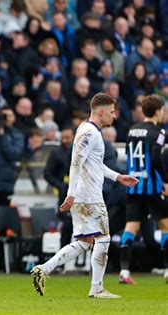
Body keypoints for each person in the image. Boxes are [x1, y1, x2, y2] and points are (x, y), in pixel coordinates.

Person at [31, 93, 139, 298]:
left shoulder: (88, 130)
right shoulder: (90, 132)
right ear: (100, 112)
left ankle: (43, 269)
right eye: (111, 112)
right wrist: (71, 194)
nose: (114, 116)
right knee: (104, 239)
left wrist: (118, 177)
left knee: (85, 242)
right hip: (88, 196)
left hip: (84, 194)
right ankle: (96, 288)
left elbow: (95, 164)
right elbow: (75, 163)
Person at [119, 94, 168, 284]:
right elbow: (155, 156)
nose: (163, 113)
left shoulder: (132, 130)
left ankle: (124, 271)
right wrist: (165, 180)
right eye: (163, 109)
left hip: (134, 185)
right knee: (165, 226)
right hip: (152, 186)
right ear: (157, 111)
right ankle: (166, 270)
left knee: (131, 227)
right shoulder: (159, 132)